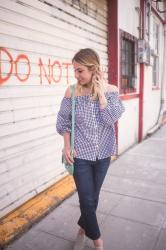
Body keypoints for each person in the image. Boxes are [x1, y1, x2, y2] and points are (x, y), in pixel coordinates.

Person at [56, 48, 125, 250]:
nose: (76, 75)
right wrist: (66, 146)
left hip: (103, 154)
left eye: (80, 71)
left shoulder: (111, 90)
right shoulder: (72, 91)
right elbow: (63, 121)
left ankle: (83, 228)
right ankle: (98, 242)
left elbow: (110, 119)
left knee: (92, 199)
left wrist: (101, 95)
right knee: (86, 200)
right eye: (75, 71)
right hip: (81, 155)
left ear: (93, 69)